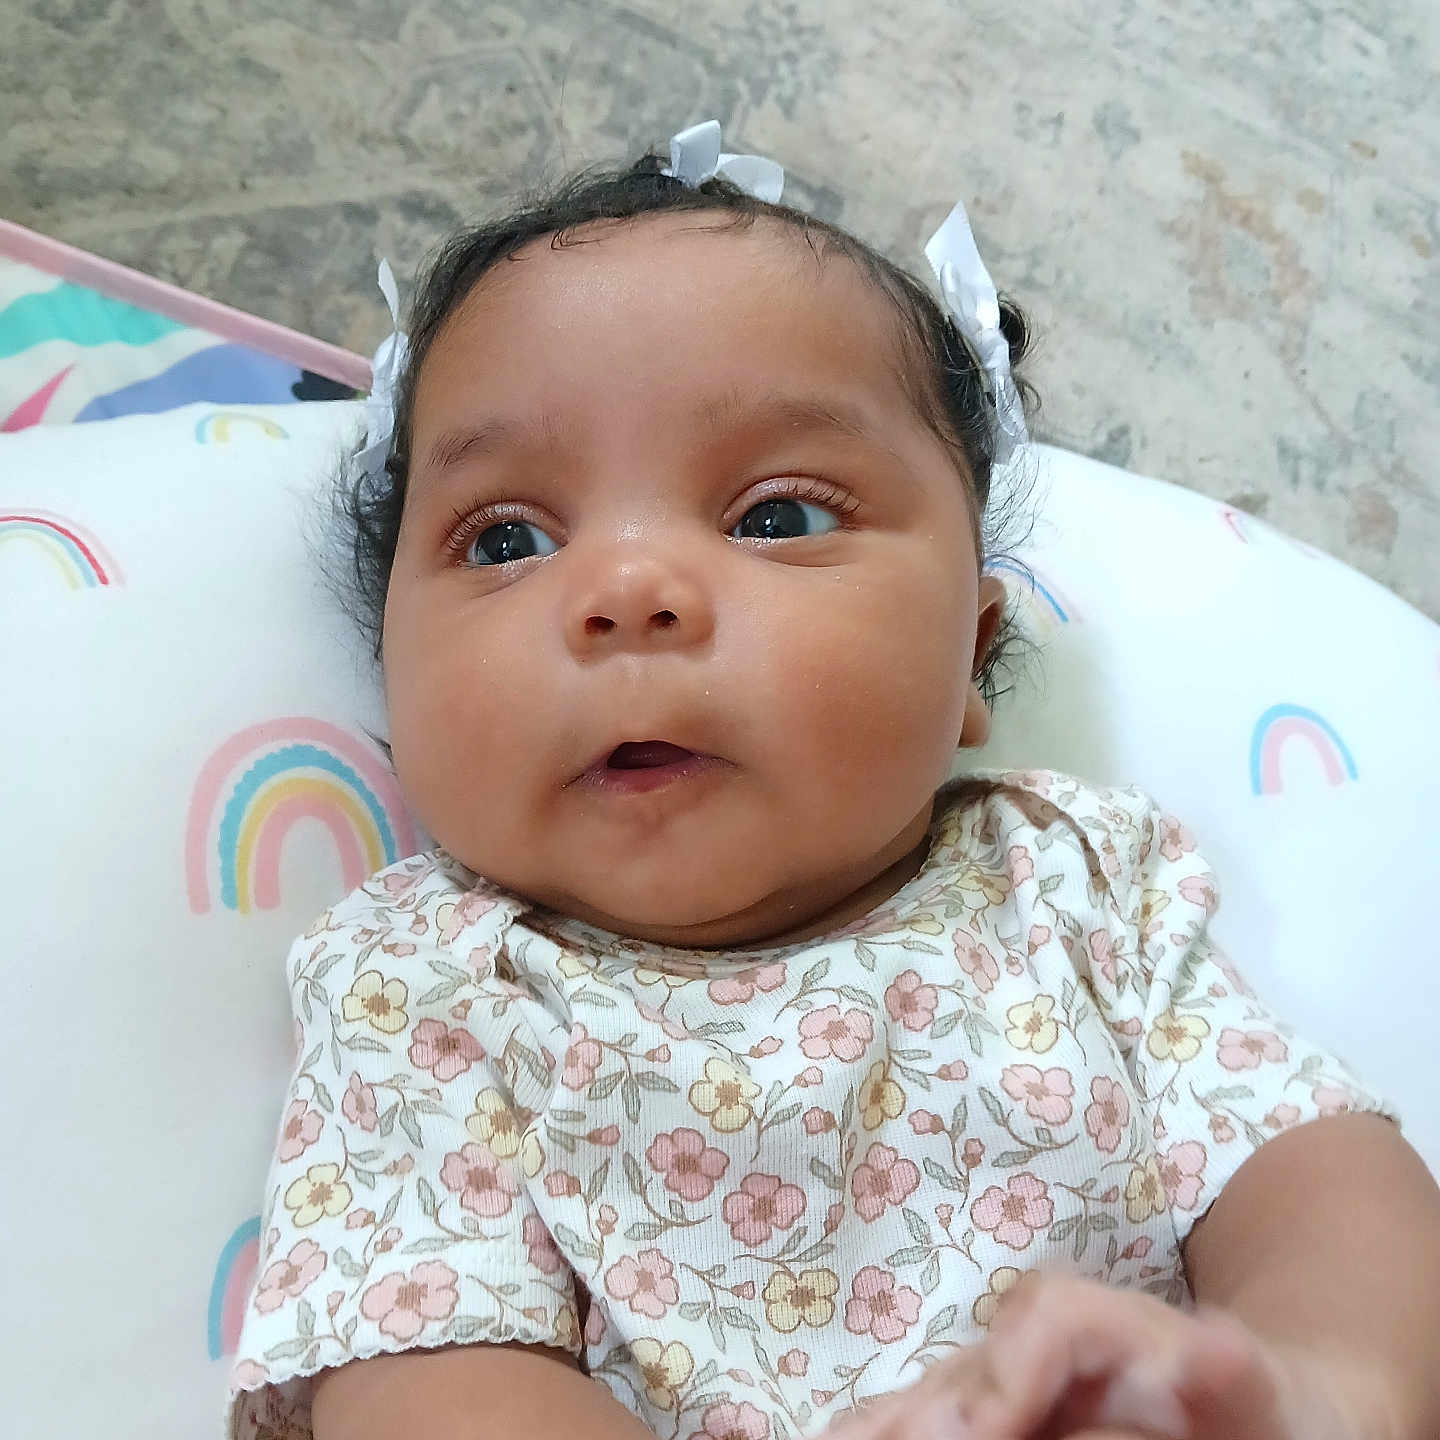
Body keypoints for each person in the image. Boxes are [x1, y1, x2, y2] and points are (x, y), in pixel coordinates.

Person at [229, 123, 1440, 1440]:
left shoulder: (1077, 885)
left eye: (778, 517)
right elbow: (428, 1371)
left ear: (969, 661)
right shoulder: (430, 981)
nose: (628, 592)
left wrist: (1323, 1388)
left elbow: (1309, 1166)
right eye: (508, 537)